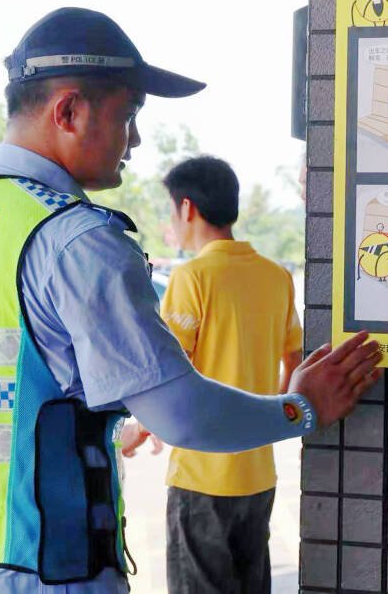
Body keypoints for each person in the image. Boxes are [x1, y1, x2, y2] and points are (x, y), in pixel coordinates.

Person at [0, 7, 381, 593]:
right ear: (68, 111)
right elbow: (180, 414)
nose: (135, 139)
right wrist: (300, 408)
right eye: (128, 114)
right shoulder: (76, 240)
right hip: (42, 575)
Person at [119, 155, 301, 592]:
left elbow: (169, 373)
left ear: (187, 208)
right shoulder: (276, 276)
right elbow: (294, 362)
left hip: (201, 476)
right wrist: (266, 424)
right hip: (258, 475)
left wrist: (142, 428)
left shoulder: (193, 277)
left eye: (171, 211)